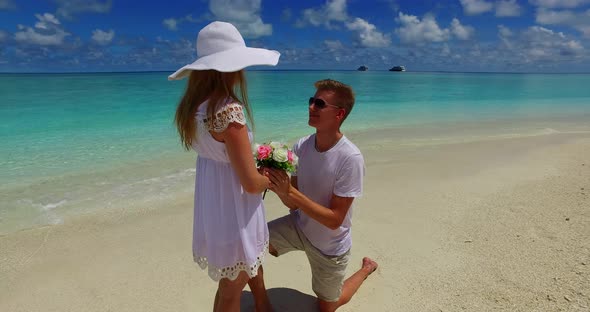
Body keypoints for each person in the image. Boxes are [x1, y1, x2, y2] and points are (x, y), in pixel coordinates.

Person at [169, 21, 279, 312]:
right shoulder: (229, 110)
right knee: (231, 290)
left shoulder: (194, 109)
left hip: (213, 203)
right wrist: (271, 177)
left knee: (230, 281)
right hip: (235, 207)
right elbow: (251, 184)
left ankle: (263, 305)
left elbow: (218, 155)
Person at [263, 79, 378, 312]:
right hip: (300, 226)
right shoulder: (301, 147)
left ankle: (366, 269)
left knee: (327, 307)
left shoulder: (350, 158)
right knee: (249, 244)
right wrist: (277, 186)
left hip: (330, 245)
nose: (311, 107)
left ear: (339, 114)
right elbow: (293, 205)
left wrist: (291, 193)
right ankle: (260, 304)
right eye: (311, 101)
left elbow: (335, 220)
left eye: (319, 103)